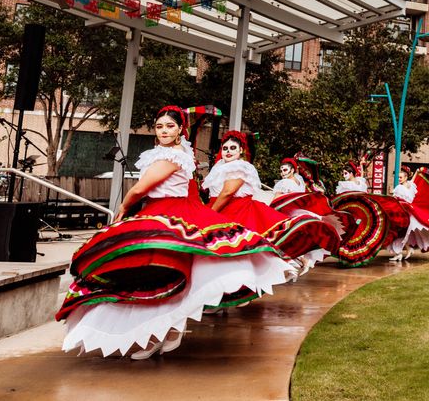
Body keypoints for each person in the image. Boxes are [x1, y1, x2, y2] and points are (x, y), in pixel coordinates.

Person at [56, 106, 294, 359]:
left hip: (168, 216)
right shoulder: (166, 153)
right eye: (159, 127)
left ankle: (166, 331)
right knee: (153, 275)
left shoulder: (175, 156)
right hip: (158, 213)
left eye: (170, 126)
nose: (164, 131)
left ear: (181, 129)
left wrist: (124, 206)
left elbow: (141, 188)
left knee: (164, 274)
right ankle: (160, 333)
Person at [203, 131, 341, 275]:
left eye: (232, 148)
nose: (228, 151)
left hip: (236, 211)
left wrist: (210, 212)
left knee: (250, 250)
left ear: (241, 150)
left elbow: (227, 192)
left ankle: (290, 264)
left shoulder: (239, 166)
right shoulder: (221, 166)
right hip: (224, 210)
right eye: (225, 148)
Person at [389, 166, 429, 261]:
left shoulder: (399, 188)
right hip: (409, 213)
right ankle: (405, 250)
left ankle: (401, 252)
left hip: (403, 214)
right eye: (398, 177)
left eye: (400, 177)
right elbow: (413, 180)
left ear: (406, 177)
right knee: (402, 233)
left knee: (398, 232)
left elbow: (395, 200)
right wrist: (417, 172)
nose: (399, 179)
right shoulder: (411, 186)